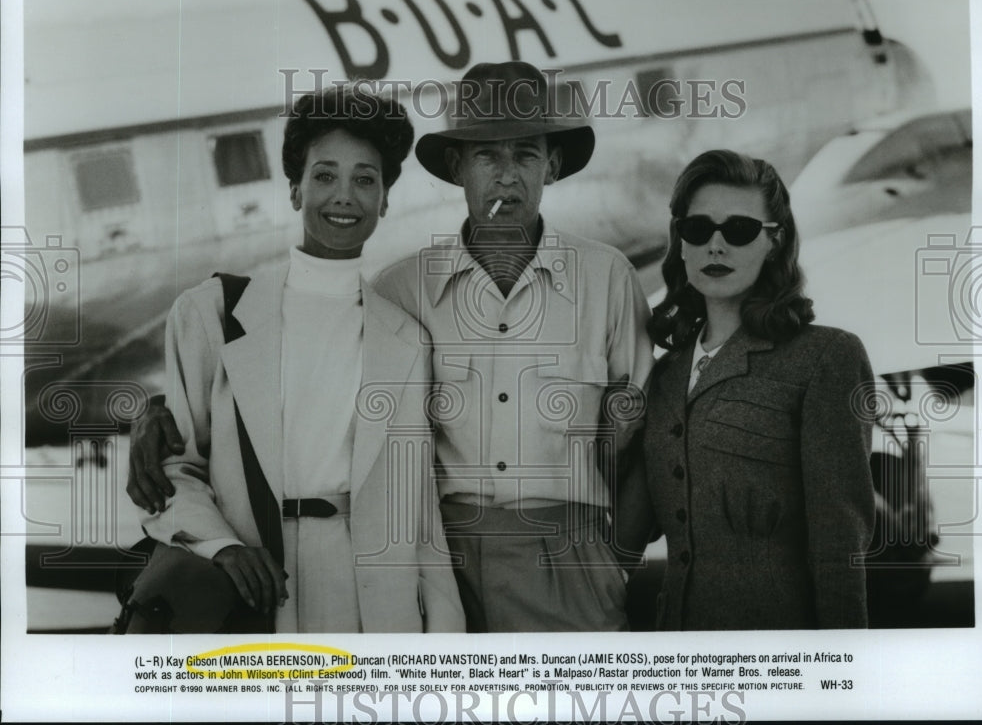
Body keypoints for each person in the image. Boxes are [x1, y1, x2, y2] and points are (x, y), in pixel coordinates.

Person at [129, 61, 653, 632]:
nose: (507, 177)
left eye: (525, 155)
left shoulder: (599, 281)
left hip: (509, 571)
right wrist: (155, 417)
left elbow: (644, 436)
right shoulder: (388, 299)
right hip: (346, 574)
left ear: (551, 165)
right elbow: (223, 434)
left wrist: (613, 567)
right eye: (486, 156)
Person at [125, 86, 464, 633]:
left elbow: (418, 511)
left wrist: (443, 638)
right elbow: (175, 469)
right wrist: (223, 549)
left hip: (377, 594)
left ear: (384, 199)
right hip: (255, 581)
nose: (344, 197)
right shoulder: (210, 313)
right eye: (325, 176)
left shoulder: (405, 337)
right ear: (293, 190)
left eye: (365, 179)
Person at [619, 149, 876, 630]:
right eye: (698, 230)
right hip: (682, 669)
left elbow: (840, 547)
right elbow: (627, 535)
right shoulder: (665, 374)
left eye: (739, 230)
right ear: (681, 243)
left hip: (782, 663)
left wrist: (845, 673)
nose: (716, 246)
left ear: (775, 243)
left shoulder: (826, 358)